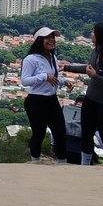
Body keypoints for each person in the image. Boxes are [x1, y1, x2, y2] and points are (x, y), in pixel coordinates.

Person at [63, 21, 103, 166]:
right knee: (86, 134)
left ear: (101, 37)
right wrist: (67, 67)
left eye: (94, 32)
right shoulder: (97, 51)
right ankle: (85, 164)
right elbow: (89, 69)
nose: (91, 34)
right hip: (91, 100)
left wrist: (95, 77)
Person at [20, 26, 70, 163]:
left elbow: (52, 79)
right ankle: (35, 160)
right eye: (47, 37)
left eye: (52, 37)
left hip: (51, 99)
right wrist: (43, 76)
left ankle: (62, 162)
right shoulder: (30, 59)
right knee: (39, 133)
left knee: (60, 133)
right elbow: (25, 81)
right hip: (36, 100)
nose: (51, 40)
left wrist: (64, 82)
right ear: (39, 40)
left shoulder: (52, 57)